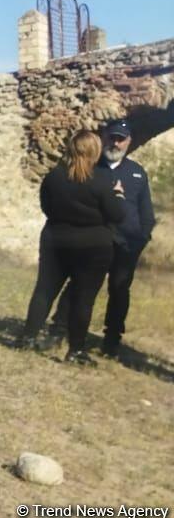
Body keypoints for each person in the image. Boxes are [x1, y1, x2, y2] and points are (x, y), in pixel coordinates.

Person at [45, 120, 156, 358]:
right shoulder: (90, 167)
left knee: (119, 290)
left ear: (129, 141)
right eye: (112, 137)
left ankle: (112, 340)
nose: (116, 143)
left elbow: (145, 210)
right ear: (104, 138)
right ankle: (58, 330)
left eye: (121, 139)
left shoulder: (137, 172)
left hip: (127, 244)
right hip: (96, 240)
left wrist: (143, 236)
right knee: (78, 286)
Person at [18, 130, 126, 365]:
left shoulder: (54, 177)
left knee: (45, 290)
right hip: (93, 246)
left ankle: (28, 338)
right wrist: (118, 195)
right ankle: (75, 351)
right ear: (95, 151)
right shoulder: (101, 182)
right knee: (83, 299)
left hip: (56, 239)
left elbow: (46, 206)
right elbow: (117, 215)